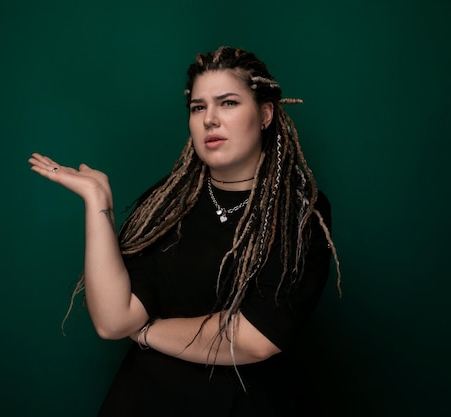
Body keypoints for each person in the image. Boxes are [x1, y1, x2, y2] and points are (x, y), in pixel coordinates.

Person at [28, 45, 341, 417]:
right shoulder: (167, 204)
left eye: (228, 103)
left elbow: (257, 338)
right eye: (198, 107)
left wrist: (146, 334)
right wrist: (98, 202)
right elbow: (114, 320)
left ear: (265, 114)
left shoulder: (299, 209)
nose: (210, 119)